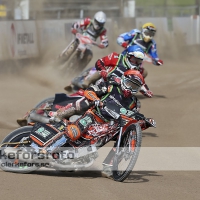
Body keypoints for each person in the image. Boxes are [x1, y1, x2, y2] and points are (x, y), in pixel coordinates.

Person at [52, 70, 155, 178]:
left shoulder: (135, 103)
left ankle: (108, 166)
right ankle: (58, 117)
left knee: (123, 135)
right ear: (124, 80)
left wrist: (146, 123)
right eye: (129, 84)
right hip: (93, 115)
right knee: (74, 133)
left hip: (110, 126)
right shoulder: (111, 87)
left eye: (134, 87)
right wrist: (96, 99)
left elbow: (133, 121)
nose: (130, 89)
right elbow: (90, 91)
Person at [68, 45, 153, 98]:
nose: (136, 63)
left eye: (139, 61)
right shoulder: (116, 57)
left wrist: (147, 91)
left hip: (116, 92)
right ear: (128, 56)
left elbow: (140, 83)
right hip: (103, 83)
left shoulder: (136, 70)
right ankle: (86, 83)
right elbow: (99, 62)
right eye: (134, 59)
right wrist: (103, 71)